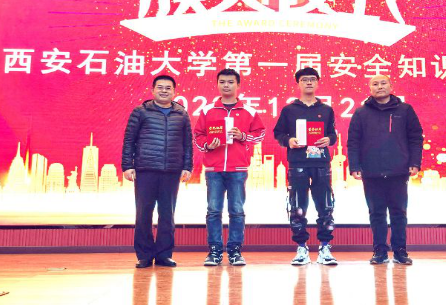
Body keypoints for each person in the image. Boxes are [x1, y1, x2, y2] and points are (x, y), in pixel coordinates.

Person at [347, 75, 424, 265]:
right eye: (375, 84)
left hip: (399, 170)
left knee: (399, 212)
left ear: (391, 86)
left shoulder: (405, 110)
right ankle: (379, 251)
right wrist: (355, 166)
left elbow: (415, 137)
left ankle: (400, 252)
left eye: (383, 83)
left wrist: (414, 162)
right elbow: (353, 142)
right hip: (371, 171)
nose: (379, 87)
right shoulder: (361, 113)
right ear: (370, 89)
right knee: (376, 213)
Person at [194, 69, 266, 266]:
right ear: (217, 84)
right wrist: (208, 145)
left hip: (238, 169)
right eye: (222, 82)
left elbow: (260, 134)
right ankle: (214, 251)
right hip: (214, 169)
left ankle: (235, 251)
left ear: (238, 85)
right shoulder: (208, 110)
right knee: (213, 211)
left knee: (237, 211)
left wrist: (243, 136)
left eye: (230, 82)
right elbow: (198, 136)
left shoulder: (249, 111)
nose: (226, 85)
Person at [122, 75, 193, 268]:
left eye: (168, 88)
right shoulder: (140, 112)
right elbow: (129, 140)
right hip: (146, 169)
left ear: (174, 92)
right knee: (143, 213)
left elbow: (187, 143)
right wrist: (127, 165)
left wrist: (187, 167)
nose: (164, 91)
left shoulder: (182, 114)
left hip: (171, 170)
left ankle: (164, 255)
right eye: (160, 87)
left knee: (167, 214)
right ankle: (144, 255)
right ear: (153, 90)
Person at [274, 67, 339, 266]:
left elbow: (333, 134)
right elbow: (278, 133)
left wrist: (329, 139)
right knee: (297, 208)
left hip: (321, 164)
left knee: (325, 206)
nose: (309, 82)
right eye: (304, 79)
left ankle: (325, 247)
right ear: (298, 83)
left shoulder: (326, 109)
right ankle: (301, 248)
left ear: (318, 82)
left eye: (312, 79)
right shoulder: (289, 110)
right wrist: (289, 140)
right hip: (297, 164)